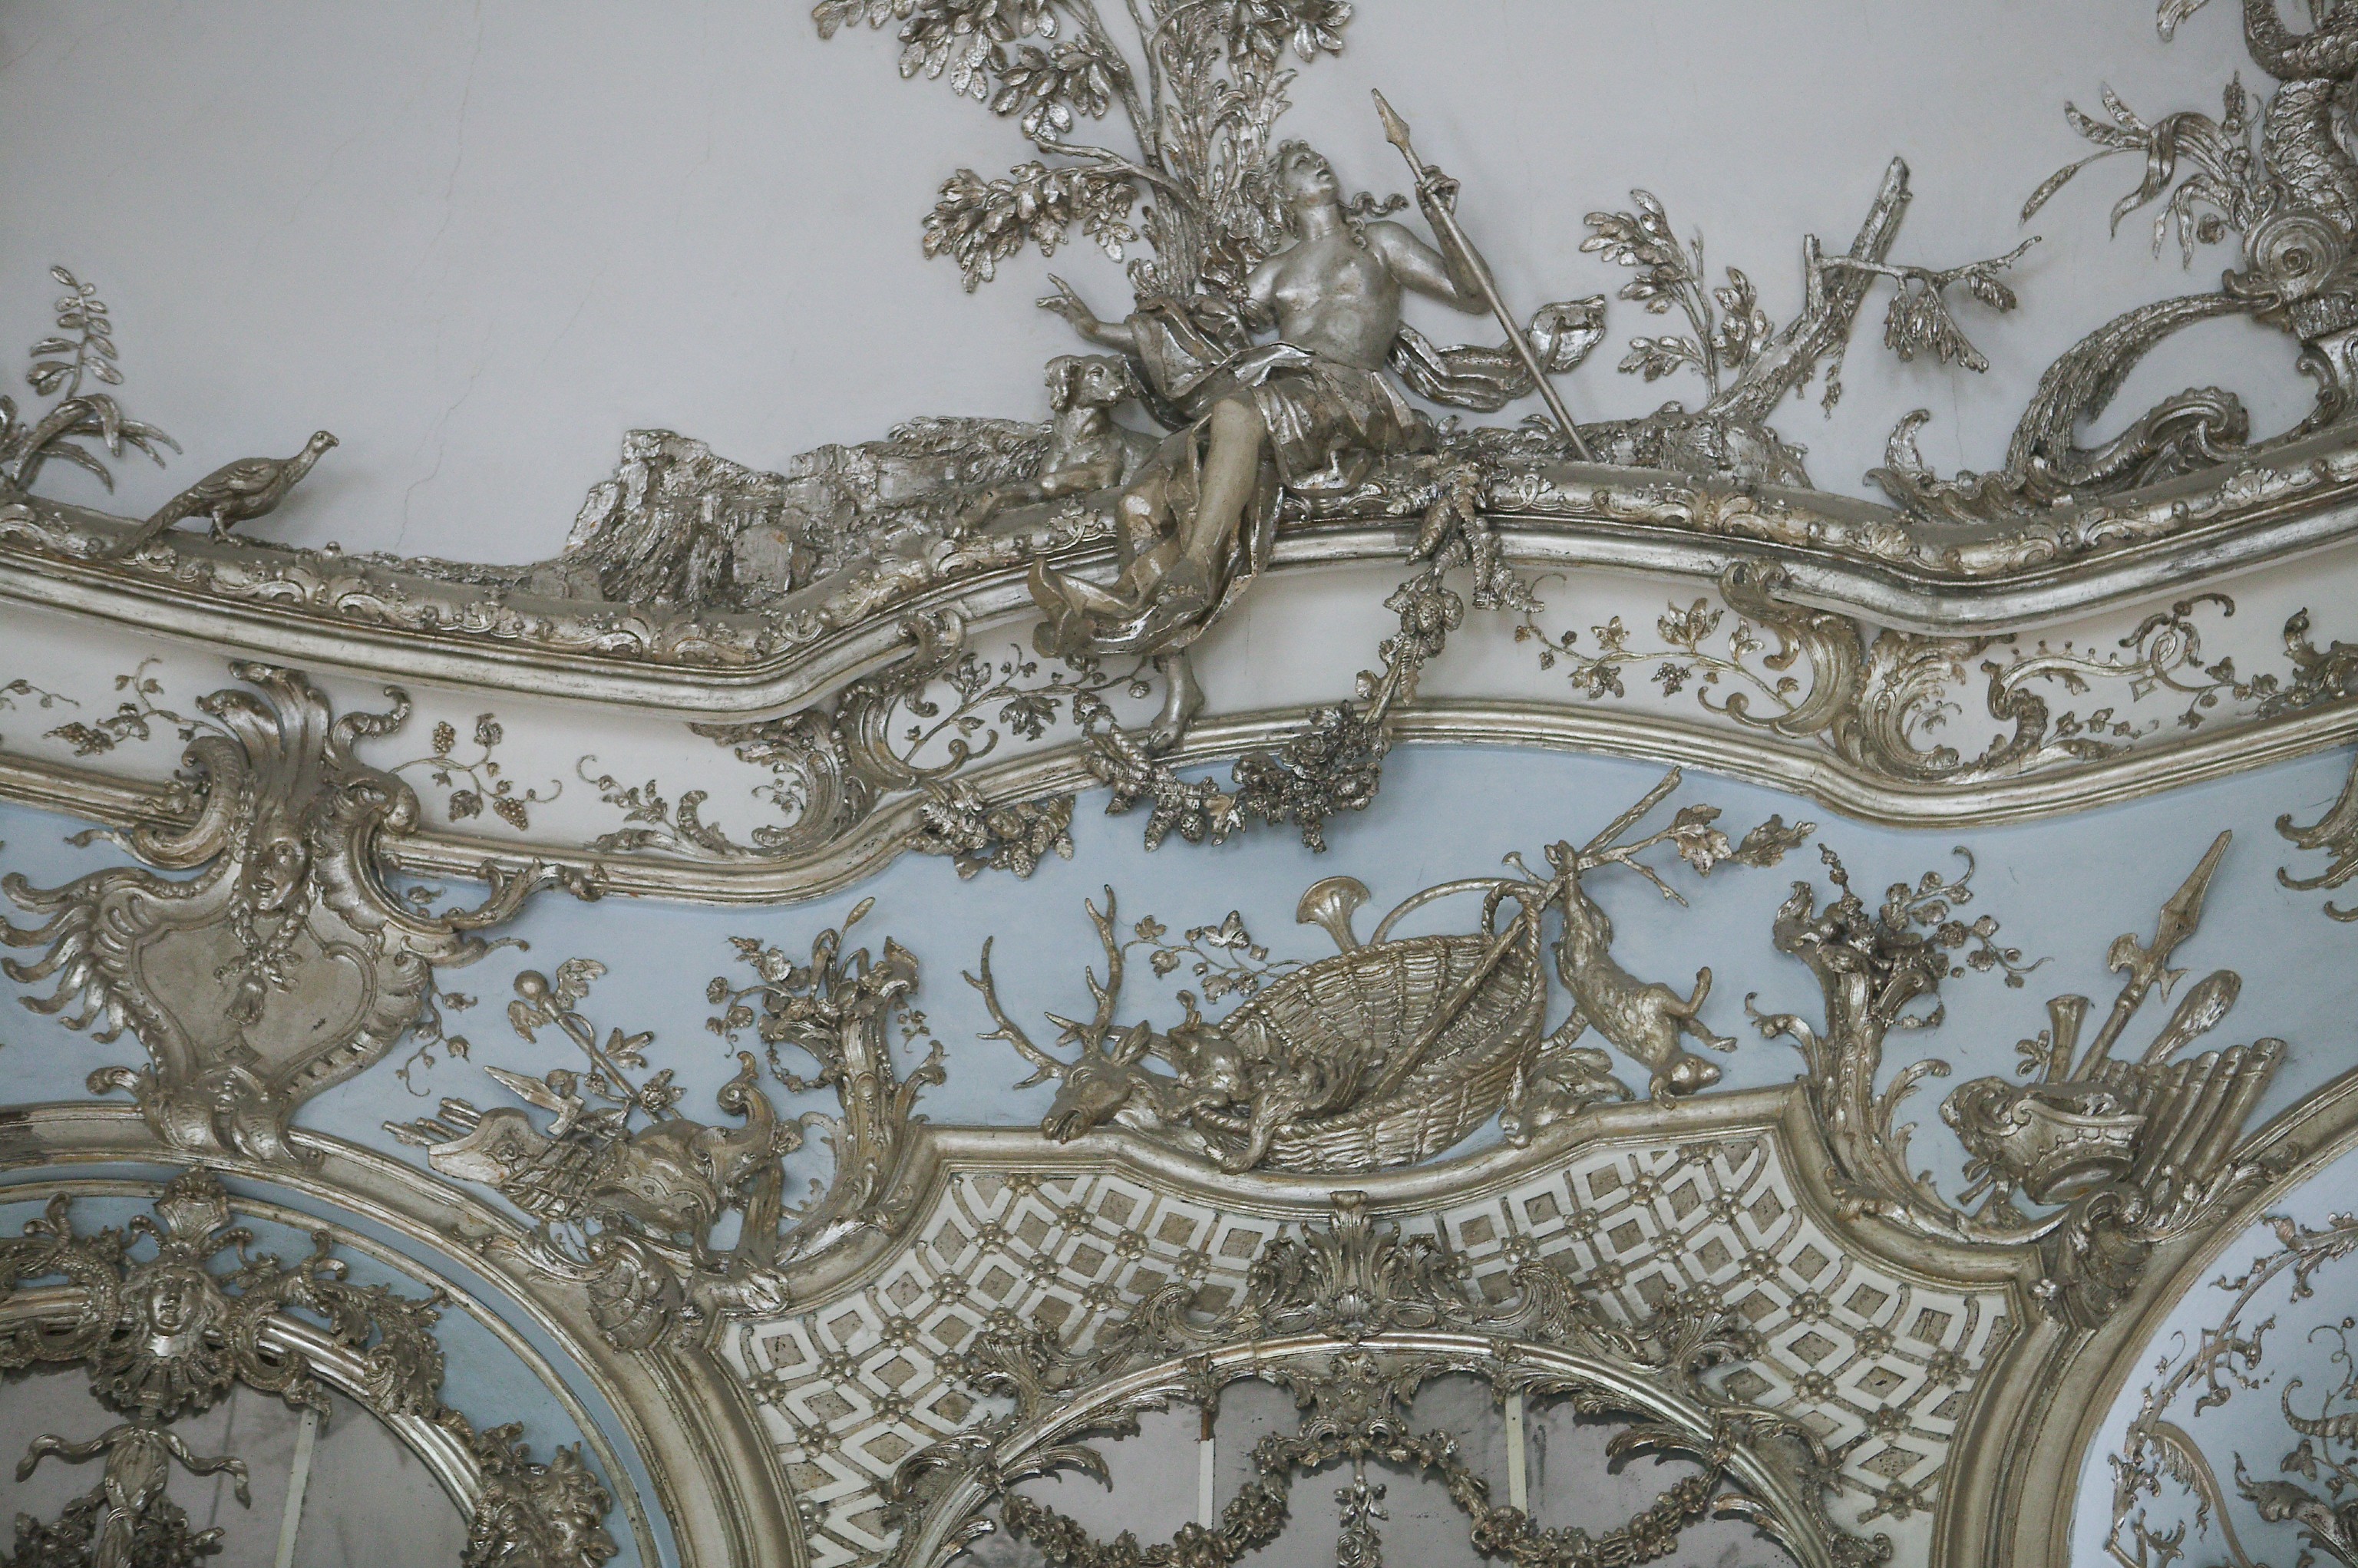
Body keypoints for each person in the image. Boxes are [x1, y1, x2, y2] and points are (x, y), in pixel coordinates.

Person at [1030, 139, 1494, 747]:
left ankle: (1196, 564)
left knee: (1235, 413)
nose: (1318, 163)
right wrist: (1099, 330)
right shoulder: (1275, 272)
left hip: (1356, 399)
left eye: (1317, 157)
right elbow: (1200, 339)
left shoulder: (1377, 241)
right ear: (1282, 195)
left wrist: (1442, 220)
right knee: (1143, 499)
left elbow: (1472, 293)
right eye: (1299, 163)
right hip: (1285, 401)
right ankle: (1176, 675)